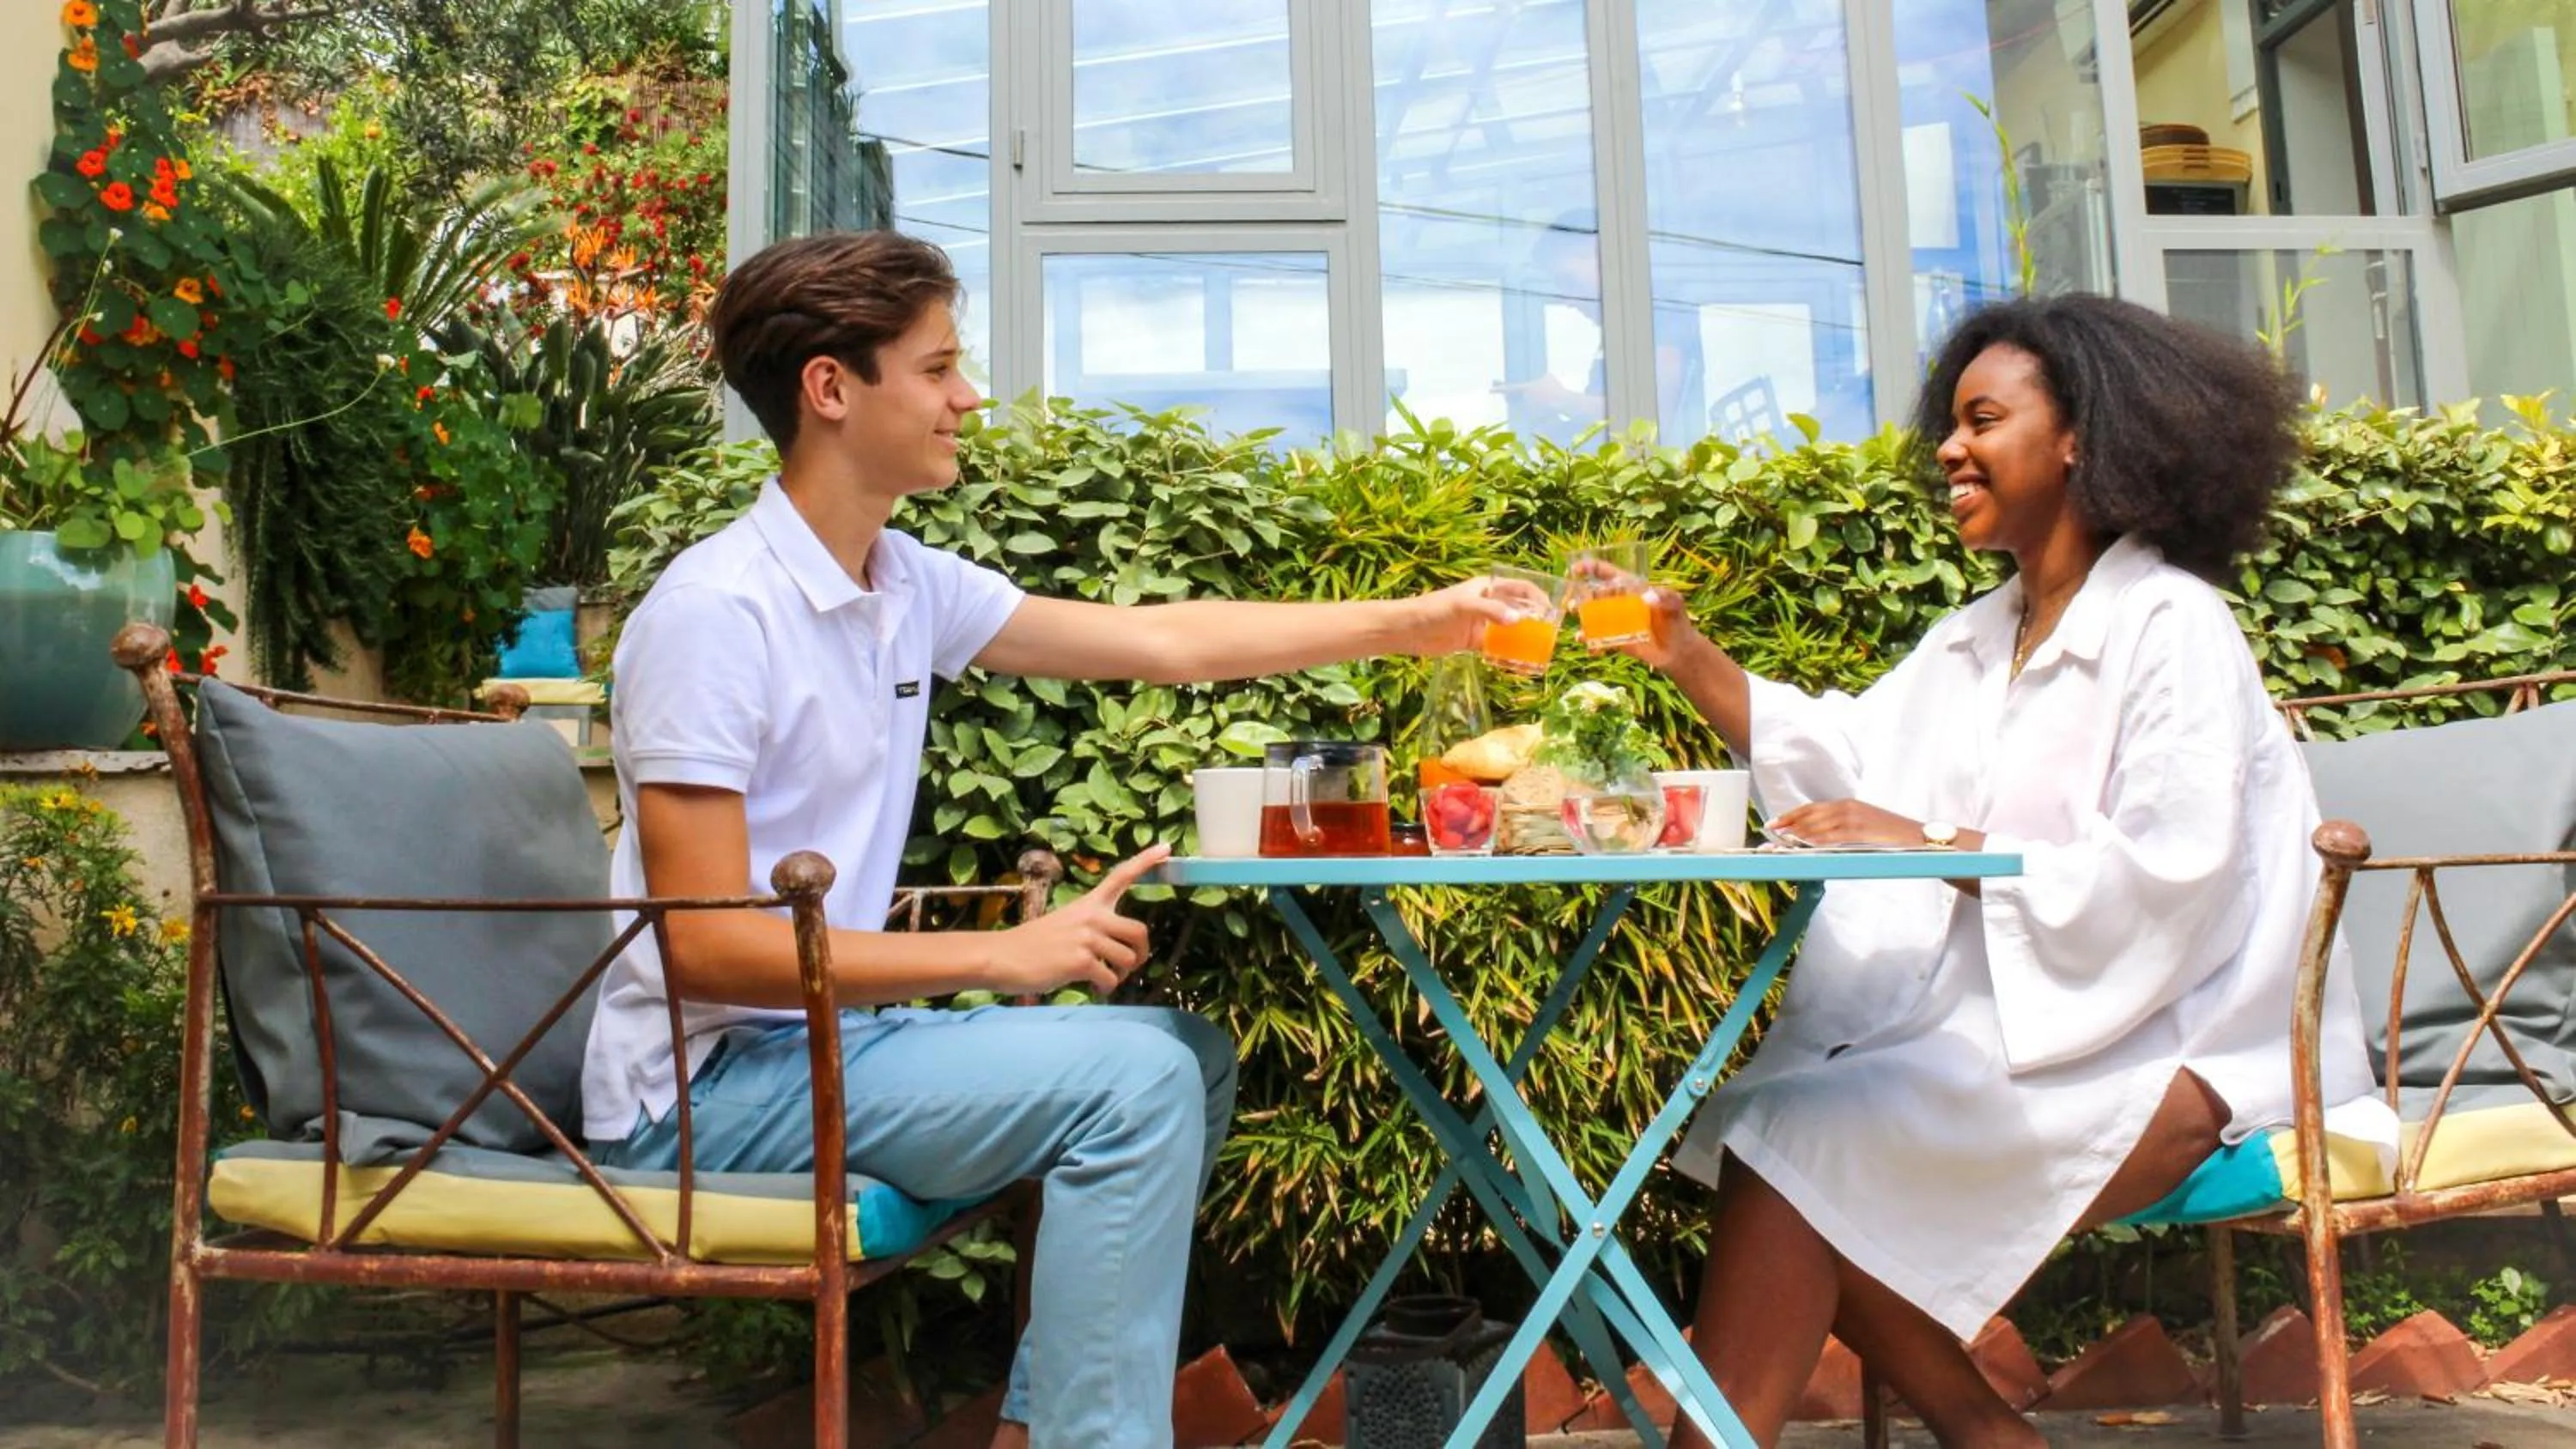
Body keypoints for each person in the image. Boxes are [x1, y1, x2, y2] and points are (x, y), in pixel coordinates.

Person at [585, 229, 1514, 1449]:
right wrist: (1001, 955)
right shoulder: (715, 614)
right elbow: (707, 951)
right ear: (830, 388)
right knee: (1133, 1085)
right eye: (937, 369)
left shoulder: (900, 584)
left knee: (1185, 1055)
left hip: (823, 1051)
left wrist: (1421, 621)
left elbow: (1161, 642)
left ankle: (1043, 1429)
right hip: (701, 1093)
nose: (968, 397)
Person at [1615, 294, 2399, 1448]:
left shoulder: (2171, 624)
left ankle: (1979, 1433)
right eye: (1952, 421)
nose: (1949, 447)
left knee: (1793, 1145)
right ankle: (1985, 1434)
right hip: (2023, 1040)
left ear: (2080, 437)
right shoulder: (1982, 635)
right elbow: (1847, 764)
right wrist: (1681, 651)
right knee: (1780, 1129)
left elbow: (2171, 871)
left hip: (2185, 1052)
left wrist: (1929, 844)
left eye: (1983, 420)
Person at [1491, 209, 1700, 444]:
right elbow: (1602, 435)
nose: (1568, 300)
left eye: (1570, 281)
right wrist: (1545, 417)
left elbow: (1651, 417)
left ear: (1605, 256)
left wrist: (1562, 399)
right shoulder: (1619, 335)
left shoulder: (1661, 316)